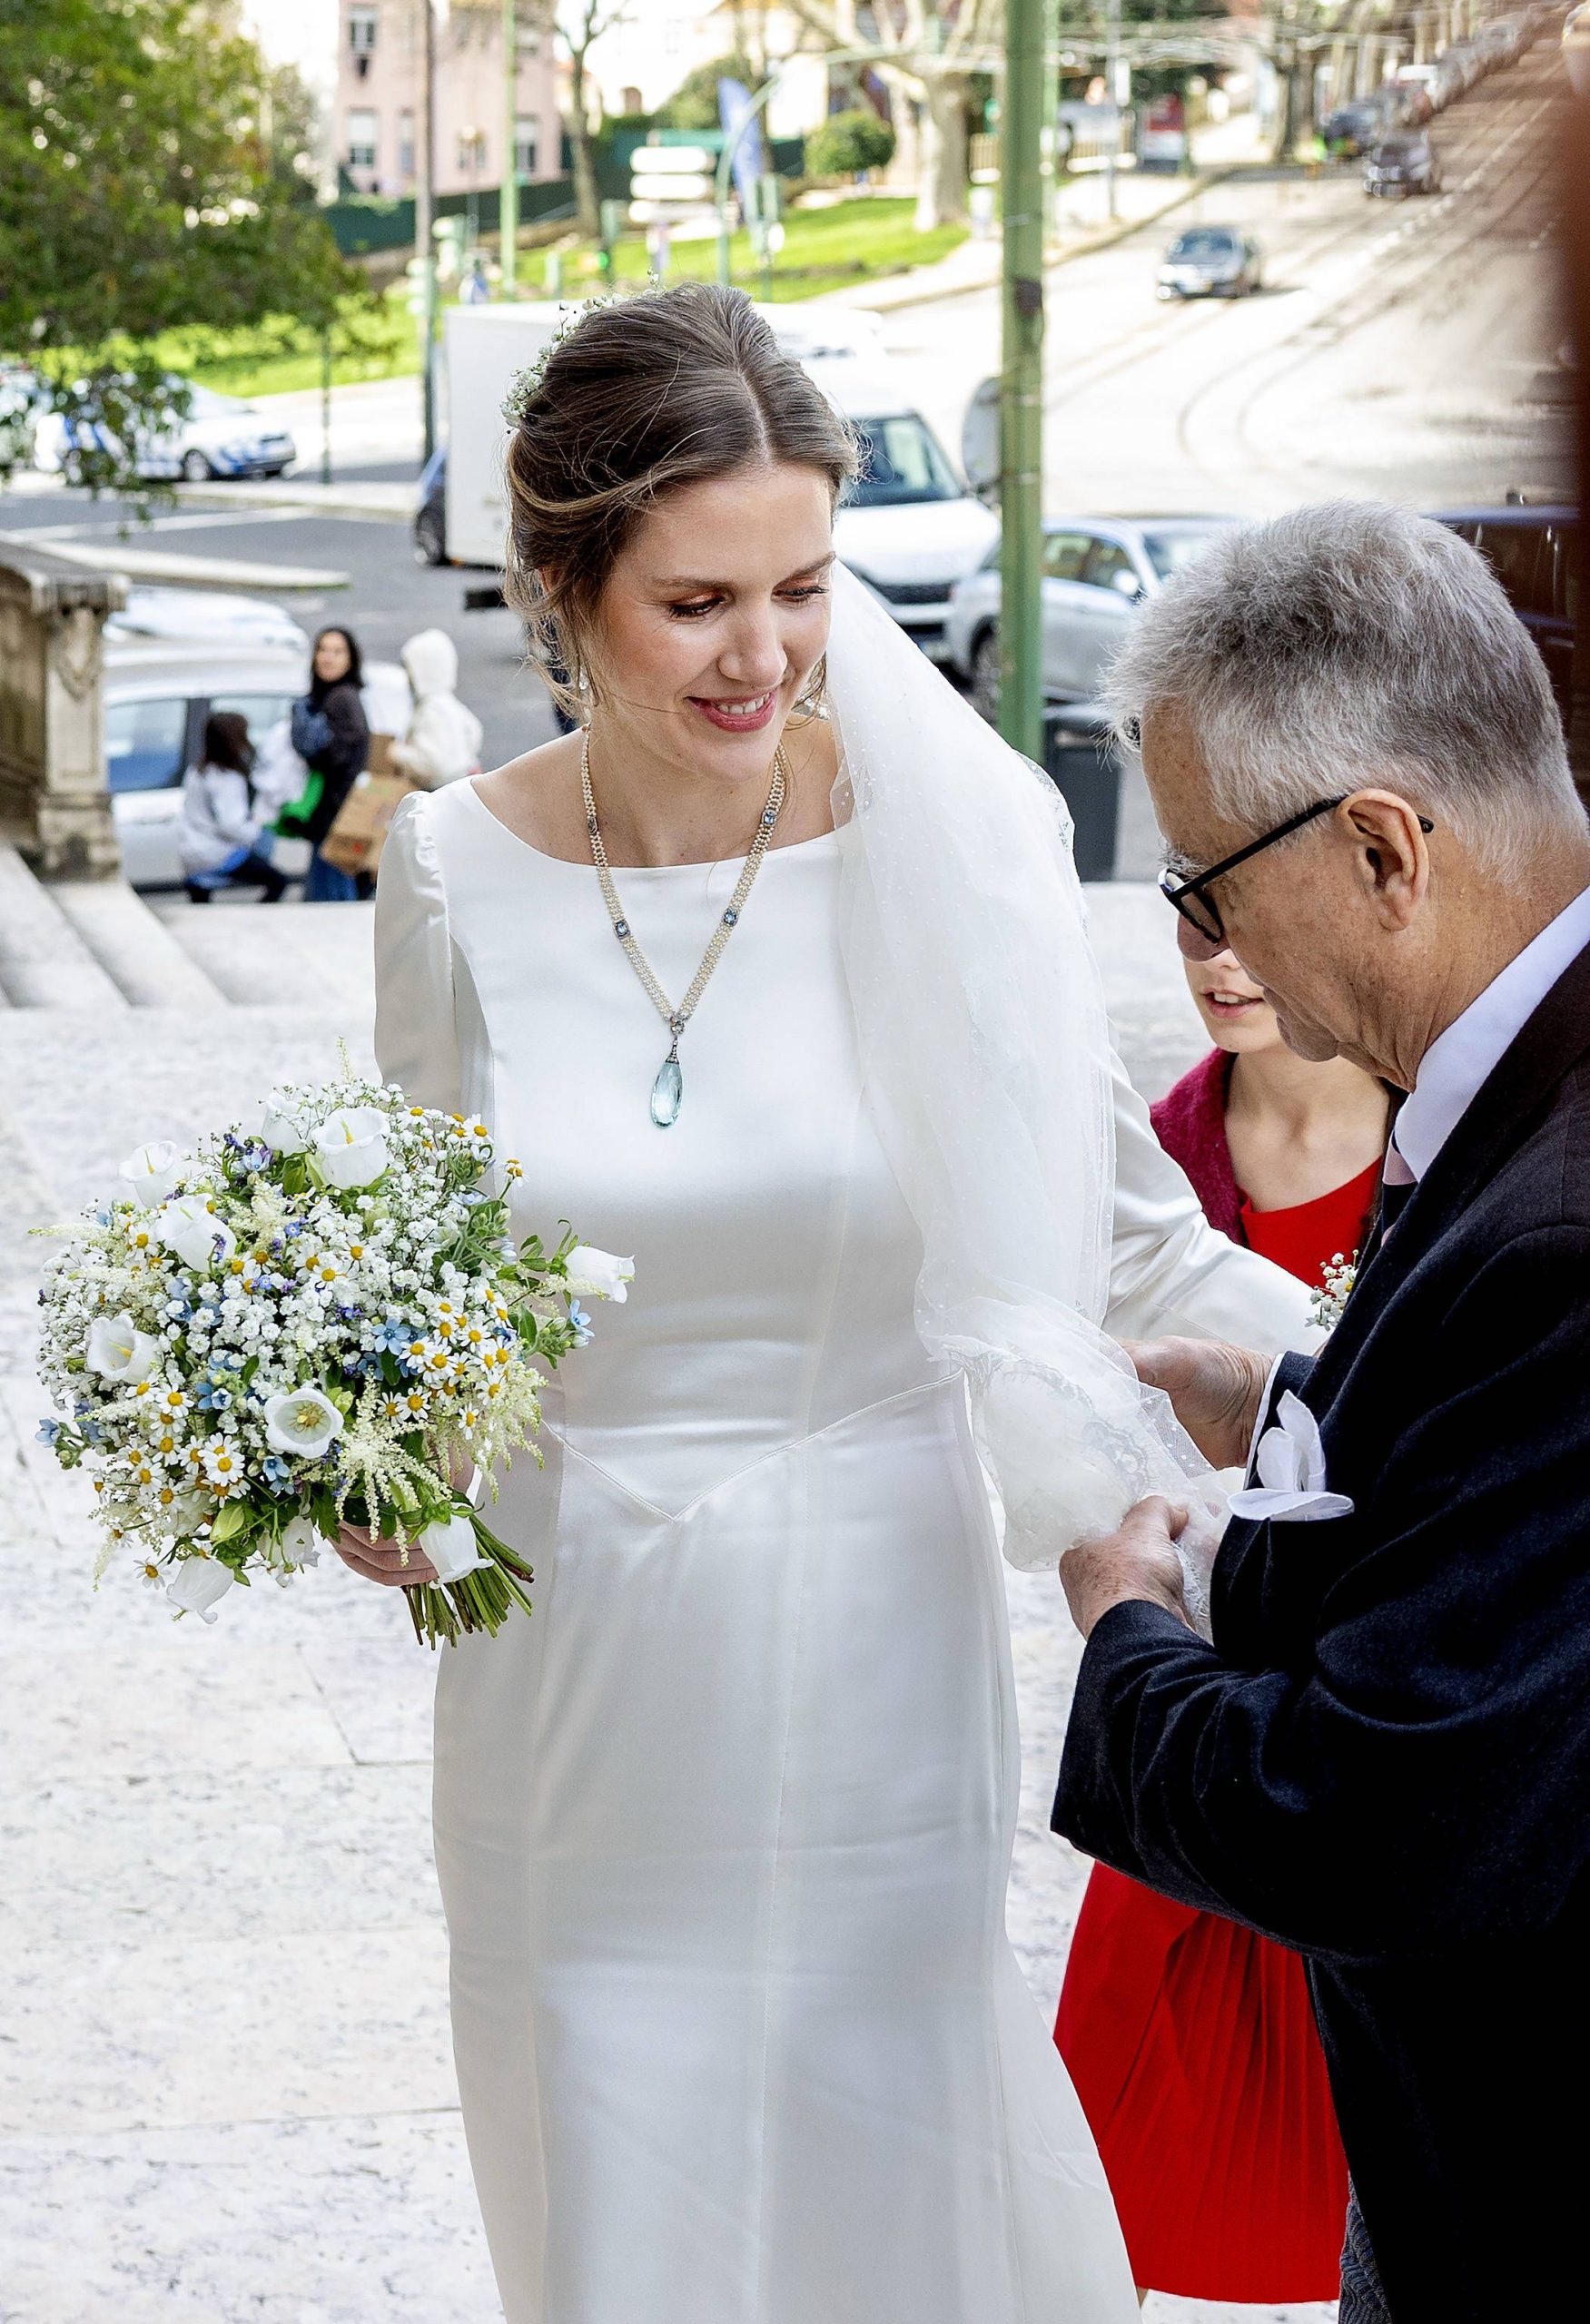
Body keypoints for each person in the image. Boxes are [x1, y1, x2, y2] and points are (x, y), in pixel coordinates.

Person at [343, 284, 1314, 2324]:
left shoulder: (937, 838)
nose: (765, 652)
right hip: (564, 1657)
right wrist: (371, 1463)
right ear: (556, 581)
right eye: (695, 600)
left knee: (879, 2162)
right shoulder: (444, 872)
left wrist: (1422, 1364)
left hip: (873, 1636)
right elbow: (420, 1284)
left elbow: (1123, 1230)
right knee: (603, 2166)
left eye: (801, 585)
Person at [1052, 502, 1590, 2324]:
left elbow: (1382, 1825)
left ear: (1379, 848)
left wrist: (1126, 1636)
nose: (1204, 950)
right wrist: (1291, 1408)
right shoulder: (1510, 1066)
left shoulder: (1558, 1225)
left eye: (1206, 883)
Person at [1056, 941, 1389, 2304]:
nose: (1223, 954)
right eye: (1188, 911)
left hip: (1375, 1731)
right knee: (1113, 2188)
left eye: (1243, 907)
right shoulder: (1151, 1157)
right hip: (1192, 1704)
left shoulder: (1467, 1157)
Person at [278, 625, 370, 901]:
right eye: (323, 650)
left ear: (350, 659)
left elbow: (341, 755)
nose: (327, 658)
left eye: (337, 652)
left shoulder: (341, 699)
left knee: (330, 902)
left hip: (336, 818)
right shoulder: (335, 696)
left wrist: (309, 747)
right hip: (334, 816)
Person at [177, 710, 287, 905]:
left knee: (201, 906)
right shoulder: (227, 778)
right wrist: (256, 829)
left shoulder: (196, 771)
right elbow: (231, 825)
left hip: (190, 851)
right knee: (278, 881)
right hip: (217, 853)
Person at [386, 626, 483, 790]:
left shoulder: (432, 710)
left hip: (441, 788)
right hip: (462, 782)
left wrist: (397, 753)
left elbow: (431, 763)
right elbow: (474, 733)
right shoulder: (449, 703)